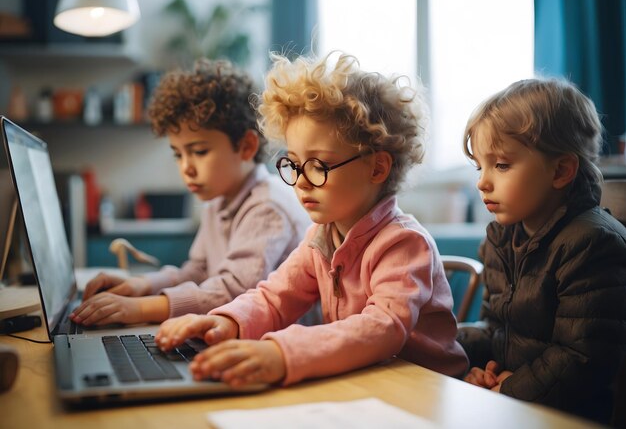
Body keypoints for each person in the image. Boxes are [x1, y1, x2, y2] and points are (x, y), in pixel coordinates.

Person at [155, 51, 469, 388]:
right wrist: (224, 322)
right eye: (294, 163)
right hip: (369, 382)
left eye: (319, 165)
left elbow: (383, 328)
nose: (302, 181)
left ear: (377, 167)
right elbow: (274, 298)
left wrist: (282, 352)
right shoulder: (321, 238)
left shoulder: (404, 244)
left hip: (425, 390)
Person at [70, 59, 310, 326]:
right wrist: (140, 285)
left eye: (199, 152)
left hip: (283, 342)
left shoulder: (268, 206)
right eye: (178, 154)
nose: (186, 168)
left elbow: (234, 291)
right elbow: (199, 271)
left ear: (246, 146)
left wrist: (138, 309)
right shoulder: (218, 202)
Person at [456, 78, 626, 424]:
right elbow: (496, 330)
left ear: (561, 171)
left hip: (574, 415)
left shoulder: (593, 244)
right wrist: (453, 352)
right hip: (517, 405)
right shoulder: (500, 238)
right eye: (480, 167)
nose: (482, 182)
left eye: (501, 165)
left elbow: (581, 358)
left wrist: (510, 390)